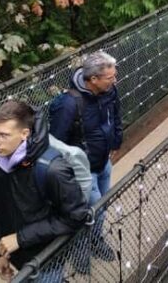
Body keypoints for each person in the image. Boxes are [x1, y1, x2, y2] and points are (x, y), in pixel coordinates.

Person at [0, 100, 88, 282]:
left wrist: (20, 238)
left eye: (4, 135)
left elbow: (77, 216)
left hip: (46, 259)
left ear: (24, 134)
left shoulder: (53, 169)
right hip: (16, 253)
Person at [49, 51, 122, 263]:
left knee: (101, 207)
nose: (114, 80)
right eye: (110, 78)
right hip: (83, 171)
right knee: (91, 212)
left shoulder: (109, 91)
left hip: (103, 161)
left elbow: (115, 115)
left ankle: (95, 243)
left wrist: (116, 141)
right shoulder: (68, 104)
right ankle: (81, 256)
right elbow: (56, 143)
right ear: (93, 79)